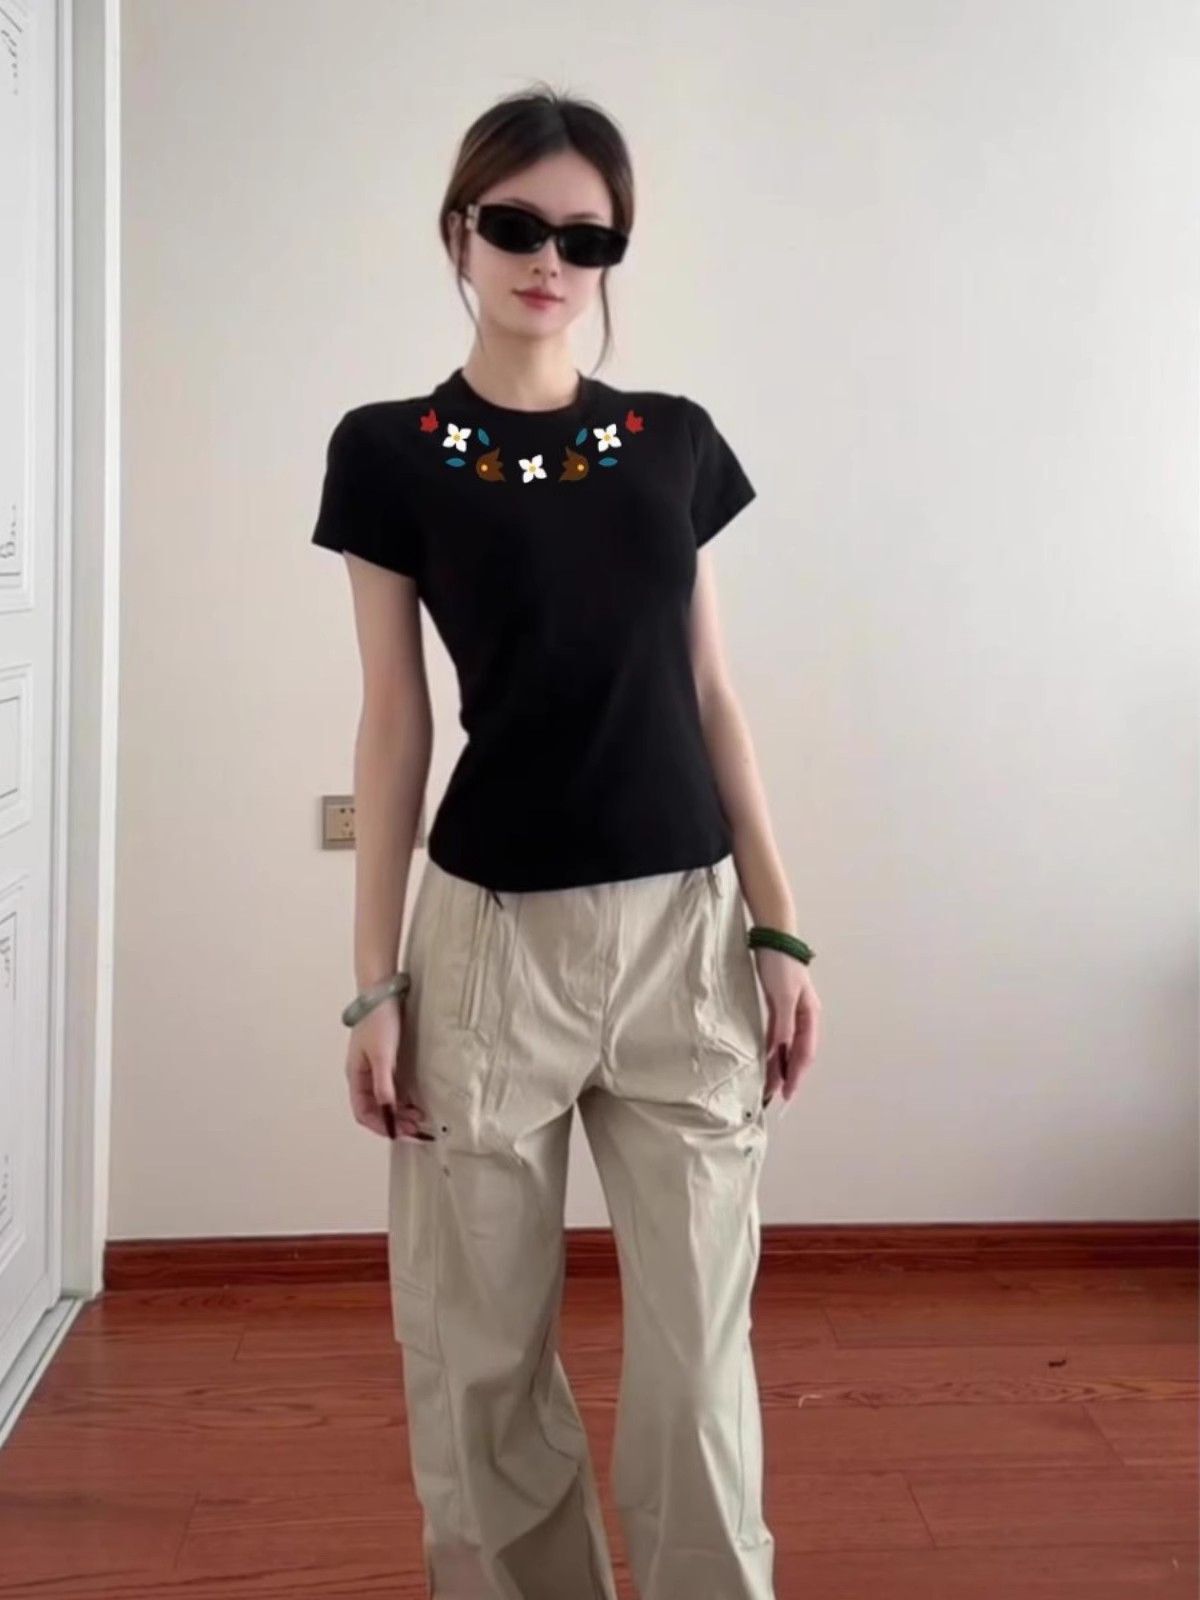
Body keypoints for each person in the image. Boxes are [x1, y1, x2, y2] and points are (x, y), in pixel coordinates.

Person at [311, 82, 821, 1600]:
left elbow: (712, 695)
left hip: (686, 938)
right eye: (519, 226)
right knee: (479, 1360)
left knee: (699, 1359)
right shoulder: (388, 450)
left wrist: (780, 927)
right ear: (459, 233)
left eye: (588, 237)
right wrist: (373, 983)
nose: (551, 260)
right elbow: (392, 725)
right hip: (488, 952)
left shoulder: (672, 440)